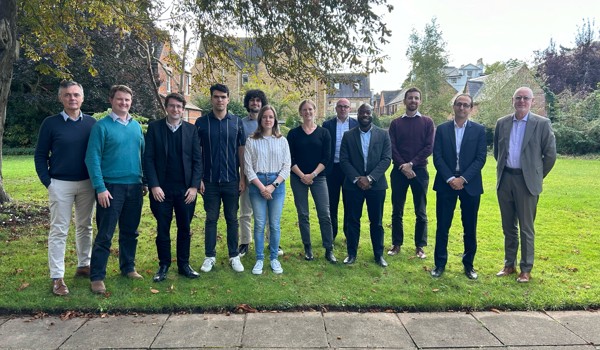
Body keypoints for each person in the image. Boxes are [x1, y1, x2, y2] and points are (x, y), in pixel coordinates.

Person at [34, 80, 96, 296]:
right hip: (60, 183)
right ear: (61, 97)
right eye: (68, 95)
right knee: (59, 230)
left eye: (76, 94)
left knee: (85, 226)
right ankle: (57, 277)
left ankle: (83, 265)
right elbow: (40, 155)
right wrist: (48, 182)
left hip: (87, 183)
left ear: (82, 97)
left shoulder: (91, 123)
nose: (72, 98)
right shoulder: (50, 124)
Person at [85, 85, 147, 294]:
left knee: (130, 231)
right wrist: (100, 188)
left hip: (135, 186)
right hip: (110, 188)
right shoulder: (101, 127)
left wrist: (144, 181)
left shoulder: (136, 126)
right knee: (105, 233)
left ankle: (128, 267)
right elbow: (92, 158)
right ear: (111, 100)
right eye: (119, 99)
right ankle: (97, 277)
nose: (124, 103)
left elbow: (142, 154)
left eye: (127, 100)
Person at [494, 86, 556, 283]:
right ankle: (509, 265)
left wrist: (535, 175)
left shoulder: (542, 124)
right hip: (505, 180)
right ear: (513, 100)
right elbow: (498, 151)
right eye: (518, 98)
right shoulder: (502, 123)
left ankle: (526, 269)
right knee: (508, 227)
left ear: (532, 102)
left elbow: (550, 155)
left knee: (526, 228)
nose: (521, 101)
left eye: (525, 98)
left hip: (527, 182)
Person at [144, 93, 203, 282]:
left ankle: (184, 265)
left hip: (185, 190)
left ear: (183, 109)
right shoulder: (154, 128)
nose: (175, 109)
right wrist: (153, 185)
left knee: (184, 227)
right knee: (163, 228)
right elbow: (148, 159)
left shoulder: (191, 130)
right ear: (166, 107)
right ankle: (163, 265)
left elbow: (197, 160)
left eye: (179, 106)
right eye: (172, 106)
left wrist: (194, 187)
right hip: (161, 190)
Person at [430, 94, 486, 280]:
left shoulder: (478, 130)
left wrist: (463, 179)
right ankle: (439, 264)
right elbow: (437, 157)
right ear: (453, 106)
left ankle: (469, 265)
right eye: (459, 104)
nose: (462, 108)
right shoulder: (442, 129)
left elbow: (480, 158)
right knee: (442, 226)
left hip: (470, 186)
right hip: (446, 185)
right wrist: (449, 178)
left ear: (471, 108)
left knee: (470, 227)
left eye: (466, 105)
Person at [195, 83, 246, 273]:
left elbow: (241, 150)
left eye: (223, 97)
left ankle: (234, 255)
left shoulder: (236, 122)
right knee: (211, 218)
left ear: (228, 99)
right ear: (211, 99)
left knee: (232, 219)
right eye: (216, 97)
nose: (220, 100)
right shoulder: (201, 123)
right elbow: (197, 152)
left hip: (232, 179)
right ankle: (210, 256)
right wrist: (198, 178)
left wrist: (243, 177)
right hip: (209, 180)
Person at [339, 104, 391, 266]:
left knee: (377, 221)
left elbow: (386, 159)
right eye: (362, 112)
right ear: (358, 114)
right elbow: (344, 160)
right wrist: (357, 178)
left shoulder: (383, 135)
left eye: (368, 112)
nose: (365, 115)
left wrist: (370, 178)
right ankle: (351, 253)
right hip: (353, 186)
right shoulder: (348, 136)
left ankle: (378, 255)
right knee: (352, 220)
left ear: (372, 114)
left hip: (376, 185)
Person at [387, 87, 435, 259]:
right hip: (399, 172)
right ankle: (396, 244)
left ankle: (420, 246)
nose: (413, 101)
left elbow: (429, 146)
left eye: (416, 98)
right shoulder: (395, 123)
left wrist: (412, 164)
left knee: (420, 211)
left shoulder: (428, 122)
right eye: (410, 98)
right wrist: (403, 165)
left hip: (419, 171)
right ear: (404, 101)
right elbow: (391, 147)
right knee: (397, 209)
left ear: (420, 101)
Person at [287, 100, 337, 263]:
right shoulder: (293, 134)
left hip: (319, 177)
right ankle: (307, 247)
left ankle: (328, 249)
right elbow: (290, 158)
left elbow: (326, 157)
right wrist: (302, 175)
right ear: (300, 112)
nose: (307, 112)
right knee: (303, 214)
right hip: (297, 177)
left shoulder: (324, 133)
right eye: (304, 110)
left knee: (325, 213)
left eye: (310, 109)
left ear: (315, 111)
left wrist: (312, 175)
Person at [244, 105, 291, 274]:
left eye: (271, 117)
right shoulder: (251, 140)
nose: (268, 120)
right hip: (257, 185)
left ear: (275, 120)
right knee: (259, 224)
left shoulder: (282, 141)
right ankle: (259, 259)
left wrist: (272, 186)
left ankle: (273, 258)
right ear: (260, 120)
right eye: (265, 117)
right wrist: (262, 187)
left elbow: (286, 167)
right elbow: (248, 169)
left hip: (276, 185)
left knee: (275, 224)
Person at [323, 98, 358, 242]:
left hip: (350, 170)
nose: (343, 109)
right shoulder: (327, 125)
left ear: (350, 109)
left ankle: (349, 234)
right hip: (333, 169)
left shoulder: (356, 125)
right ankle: (332, 234)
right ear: (336, 109)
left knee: (349, 203)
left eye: (346, 107)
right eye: (340, 106)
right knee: (332, 203)